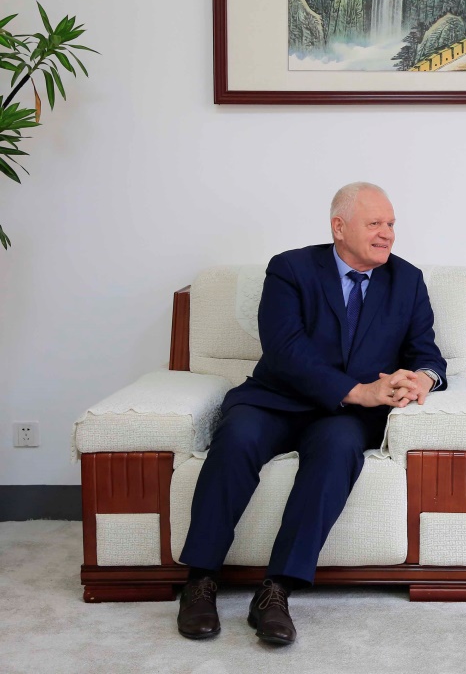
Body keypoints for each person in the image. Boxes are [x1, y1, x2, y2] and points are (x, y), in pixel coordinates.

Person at [176, 182, 447, 645]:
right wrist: (357, 390)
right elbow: (284, 350)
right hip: (275, 398)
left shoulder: (407, 280)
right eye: (375, 223)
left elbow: (427, 354)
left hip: (342, 418)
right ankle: (200, 581)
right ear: (339, 227)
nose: (387, 234)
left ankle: (276, 591)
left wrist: (424, 378)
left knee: (339, 449)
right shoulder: (290, 269)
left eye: (391, 224)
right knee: (237, 437)